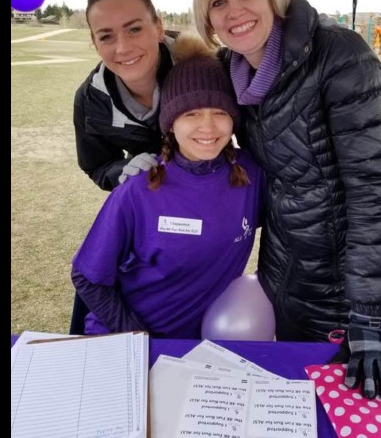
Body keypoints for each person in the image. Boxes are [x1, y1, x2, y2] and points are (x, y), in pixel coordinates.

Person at [192, 0, 381, 400]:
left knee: (351, 407)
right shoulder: (231, 73)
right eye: (217, 2)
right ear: (208, 20)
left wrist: (369, 314)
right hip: (285, 275)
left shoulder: (338, 54)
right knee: (293, 398)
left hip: (348, 290)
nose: (234, 11)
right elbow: (163, 83)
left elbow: (375, 190)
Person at [71, 35, 265, 338]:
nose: (208, 127)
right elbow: (87, 277)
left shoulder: (250, 173)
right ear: (170, 123)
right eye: (191, 114)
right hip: (122, 340)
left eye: (220, 112)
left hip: (195, 348)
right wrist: (136, 337)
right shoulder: (140, 188)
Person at [73, 0, 173, 191]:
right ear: (95, 43)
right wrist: (126, 169)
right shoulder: (90, 100)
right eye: (107, 36)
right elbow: (98, 166)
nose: (123, 48)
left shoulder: (204, 68)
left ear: (159, 28)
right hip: (148, 203)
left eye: (134, 29)